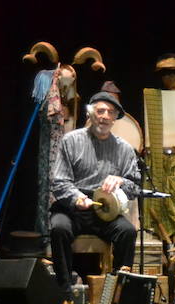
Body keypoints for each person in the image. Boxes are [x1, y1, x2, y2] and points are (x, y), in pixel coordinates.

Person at [48, 90, 143, 293]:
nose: (105, 116)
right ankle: (64, 291)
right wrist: (77, 198)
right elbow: (59, 181)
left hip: (105, 210)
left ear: (115, 118)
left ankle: (118, 292)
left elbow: (135, 187)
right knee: (59, 229)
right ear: (90, 113)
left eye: (110, 112)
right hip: (73, 207)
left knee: (127, 232)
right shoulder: (71, 141)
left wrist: (120, 181)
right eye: (100, 111)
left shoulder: (125, 148)